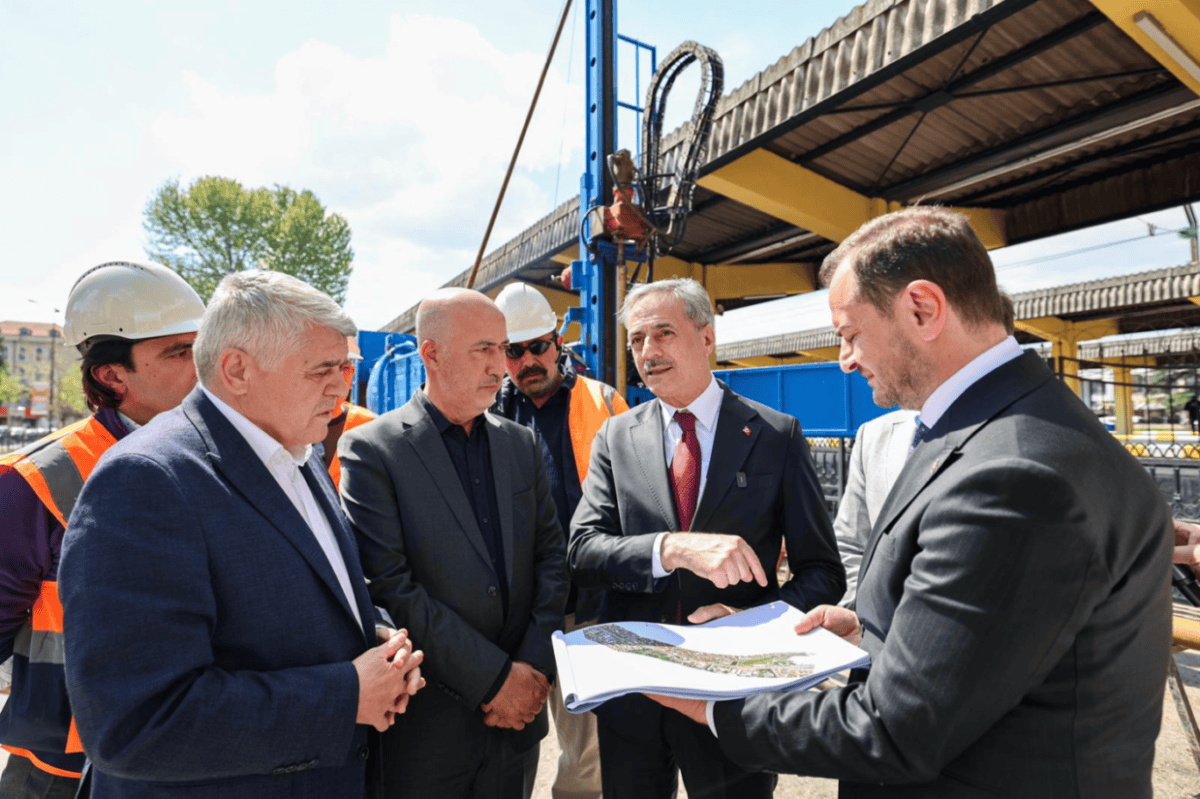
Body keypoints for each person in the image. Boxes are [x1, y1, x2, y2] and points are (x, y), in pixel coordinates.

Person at [649, 207, 1172, 798]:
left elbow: (896, 730)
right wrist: (867, 632)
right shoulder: (1002, 431)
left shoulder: (1012, 476)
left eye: (850, 335)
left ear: (923, 309)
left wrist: (712, 704)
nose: (846, 360)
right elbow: (992, 642)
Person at [59, 271, 424, 799]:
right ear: (237, 370)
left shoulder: (300, 453)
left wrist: (374, 635)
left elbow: (316, 593)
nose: (342, 387)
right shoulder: (145, 481)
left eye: (345, 367)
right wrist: (348, 695)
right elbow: (135, 723)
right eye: (322, 369)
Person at [568, 277, 845, 799]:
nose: (648, 352)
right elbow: (583, 552)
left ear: (707, 339)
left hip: (735, 691)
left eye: (663, 333)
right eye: (637, 340)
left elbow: (823, 573)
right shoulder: (615, 436)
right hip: (636, 689)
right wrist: (669, 548)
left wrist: (754, 626)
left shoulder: (776, 435)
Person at [339, 288, 569, 799]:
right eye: (484, 349)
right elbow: (389, 585)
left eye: (501, 348)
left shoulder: (520, 444)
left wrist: (532, 669)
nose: (499, 366)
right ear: (432, 354)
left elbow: (551, 557)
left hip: (518, 722)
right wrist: (494, 680)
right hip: (428, 731)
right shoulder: (373, 450)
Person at [0, 260, 205, 799]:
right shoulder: (35, 481)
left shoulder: (222, 455)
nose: (202, 365)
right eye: (179, 352)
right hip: (61, 770)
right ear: (111, 376)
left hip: (190, 755)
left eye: (202, 346)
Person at [492, 282, 628, 799]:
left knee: (586, 749)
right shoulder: (487, 414)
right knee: (510, 738)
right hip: (516, 611)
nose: (528, 361)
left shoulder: (602, 401)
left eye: (538, 346)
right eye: (514, 351)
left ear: (557, 343)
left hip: (585, 606)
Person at [832, 409, 917, 607]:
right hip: (877, 622)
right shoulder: (873, 434)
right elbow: (849, 546)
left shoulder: (988, 432)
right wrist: (860, 612)